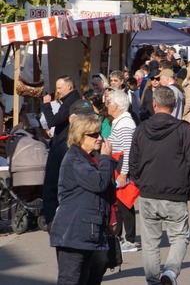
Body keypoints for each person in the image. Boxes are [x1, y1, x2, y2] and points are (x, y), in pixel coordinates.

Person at [129, 86, 190, 285]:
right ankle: (171, 272)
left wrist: (140, 181)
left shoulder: (141, 129)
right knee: (179, 236)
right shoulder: (183, 130)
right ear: (173, 106)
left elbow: (133, 162)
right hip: (175, 193)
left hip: (149, 192)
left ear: (154, 104)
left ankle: (154, 280)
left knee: (150, 243)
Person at [49, 114, 116, 285]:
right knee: (70, 279)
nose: (99, 138)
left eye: (99, 133)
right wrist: (107, 158)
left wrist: (109, 220)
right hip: (73, 232)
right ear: (80, 136)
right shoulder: (75, 159)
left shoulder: (90, 157)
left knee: (85, 278)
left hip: (86, 231)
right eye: (93, 135)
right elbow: (99, 183)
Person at [43, 96, 92, 231]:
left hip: (93, 218)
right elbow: (50, 185)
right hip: (69, 218)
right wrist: (50, 218)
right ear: (72, 120)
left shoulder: (98, 146)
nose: (89, 122)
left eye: (91, 118)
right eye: (84, 119)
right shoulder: (61, 149)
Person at [106, 89, 139, 253]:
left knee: (125, 204)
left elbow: (128, 151)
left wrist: (124, 173)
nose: (107, 105)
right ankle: (118, 236)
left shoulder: (125, 124)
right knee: (119, 204)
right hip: (118, 166)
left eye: (109, 102)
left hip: (122, 167)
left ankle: (130, 240)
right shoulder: (120, 121)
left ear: (117, 105)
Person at [42, 75, 82, 146]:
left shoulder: (70, 102)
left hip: (65, 143)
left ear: (69, 87)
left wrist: (46, 105)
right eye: (57, 88)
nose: (57, 91)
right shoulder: (72, 99)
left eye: (59, 88)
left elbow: (53, 121)